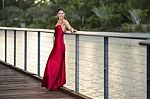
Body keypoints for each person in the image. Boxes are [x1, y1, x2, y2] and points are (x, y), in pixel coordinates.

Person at [41, 7, 77, 91]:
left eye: (62, 13)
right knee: (51, 62)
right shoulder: (57, 22)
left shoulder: (64, 21)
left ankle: (54, 84)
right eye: (59, 13)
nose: (61, 15)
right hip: (55, 46)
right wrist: (53, 43)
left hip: (60, 46)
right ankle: (53, 83)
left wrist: (73, 30)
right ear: (57, 15)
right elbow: (55, 35)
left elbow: (69, 28)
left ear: (64, 14)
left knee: (55, 64)